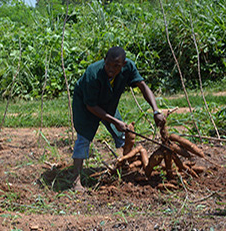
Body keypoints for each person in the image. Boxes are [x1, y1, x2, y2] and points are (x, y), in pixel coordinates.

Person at [71, 46, 166, 191]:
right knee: (84, 138)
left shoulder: (129, 67)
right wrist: (115, 121)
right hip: (85, 104)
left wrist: (156, 111)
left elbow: (142, 86)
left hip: (107, 102)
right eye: (108, 64)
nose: (111, 69)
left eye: (116, 66)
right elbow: (91, 106)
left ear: (124, 64)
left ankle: (124, 167)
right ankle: (75, 180)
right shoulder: (93, 73)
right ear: (104, 61)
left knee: (121, 135)